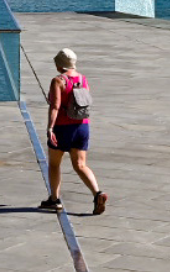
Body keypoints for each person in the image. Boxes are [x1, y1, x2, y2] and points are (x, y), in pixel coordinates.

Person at [40, 47, 106, 215]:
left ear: (59, 65)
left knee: (54, 164)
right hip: (82, 126)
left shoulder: (58, 81)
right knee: (80, 165)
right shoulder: (83, 79)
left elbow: (55, 106)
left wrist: (50, 128)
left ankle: (54, 200)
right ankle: (97, 193)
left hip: (62, 127)